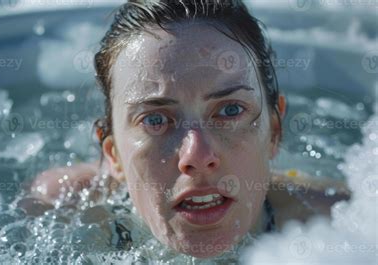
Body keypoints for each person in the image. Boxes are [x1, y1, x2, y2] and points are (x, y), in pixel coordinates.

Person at [18, 0, 351, 258]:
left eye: (230, 110)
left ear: (274, 132)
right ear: (114, 154)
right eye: (155, 120)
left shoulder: (341, 223)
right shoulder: (59, 206)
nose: (197, 156)